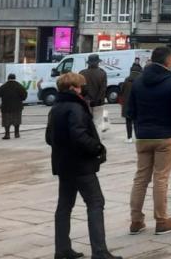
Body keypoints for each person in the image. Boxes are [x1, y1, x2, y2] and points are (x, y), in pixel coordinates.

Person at [46, 73, 121, 259]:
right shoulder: (76, 107)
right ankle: (100, 251)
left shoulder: (56, 108)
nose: (82, 89)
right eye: (80, 86)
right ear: (73, 88)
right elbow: (79, 135)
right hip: (80, 164)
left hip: (63, 164)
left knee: (64, 205)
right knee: (96, 202)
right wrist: (96, 147)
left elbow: (49, 138)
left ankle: (62, 249)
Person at [125, 47, 171, 236]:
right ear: (168, 61)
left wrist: (140, 126)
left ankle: (136, 221)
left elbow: (130, 111)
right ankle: (162, 220)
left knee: (140, 178)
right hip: (165, 136)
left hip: (143, 136)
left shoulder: (138, 82)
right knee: (160, 177)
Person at [0, 73, 28, 139]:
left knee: (6, 121)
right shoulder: (19, 86)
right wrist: (21, 99)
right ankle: (17, 133)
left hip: (6, 107)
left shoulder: (4, 86)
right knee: (17, 120)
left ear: (8, 78)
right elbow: (25, 94)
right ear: (15, 78)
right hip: (17, 107)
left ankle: (7, 134)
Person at [79, 54, 109, 133]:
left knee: (86, 122)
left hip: (85, 102)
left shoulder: (82, 73)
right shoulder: (102, 73)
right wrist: (97, 100)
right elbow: (103, 89)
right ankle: (97, 141)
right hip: (98, 103)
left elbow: (80, 89)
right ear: (98, 63)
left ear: (88, 63)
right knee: (98, 123)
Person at [120, 61, 142, 144]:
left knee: (128, 121)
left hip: (127, 104)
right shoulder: (141, 80)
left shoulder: (126, 80)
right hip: (138, 104)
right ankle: (138, 137)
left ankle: (129, 138)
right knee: (137, 121)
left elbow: (121, 92)